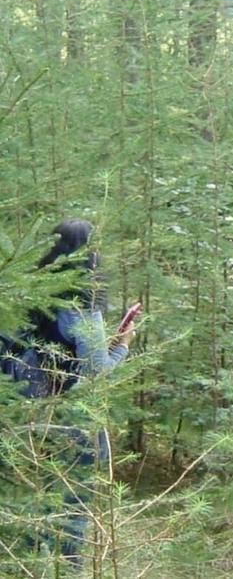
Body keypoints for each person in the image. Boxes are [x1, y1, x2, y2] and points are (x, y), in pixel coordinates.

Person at [0, 219, 134, 572]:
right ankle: (67, 567)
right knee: (73, 503)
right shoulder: (82, 303)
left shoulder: (29, 291)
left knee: (28, 498)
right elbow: (96, 369)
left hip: (21, 415)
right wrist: (122, 347)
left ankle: (23, 565)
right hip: (67, 417)